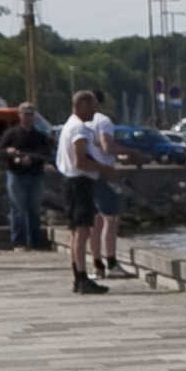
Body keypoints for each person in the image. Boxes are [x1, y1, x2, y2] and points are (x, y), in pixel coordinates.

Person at [56, 89, 125, 292]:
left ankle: (79, 276)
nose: (95, 112)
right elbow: (81, 161)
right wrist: (106, 170)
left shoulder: (69, 125)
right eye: (92, 107)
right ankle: (82, 278)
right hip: (80, 184)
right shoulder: (79, 129)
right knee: (82, 231)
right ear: (81, 106)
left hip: (71, 182)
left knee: (76, 232)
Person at [0, 106, 51, 251]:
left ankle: (35, 242)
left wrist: (31, 159)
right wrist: (10, 152)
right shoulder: (11, 133)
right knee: (18, 209)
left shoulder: (40, 136)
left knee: (34, 209)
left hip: (36, 175)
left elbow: (46, 154)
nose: (28, 117)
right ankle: (18, 243)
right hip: (16, 175)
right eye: (25, 114)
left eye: (31, 114)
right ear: (20, 115)